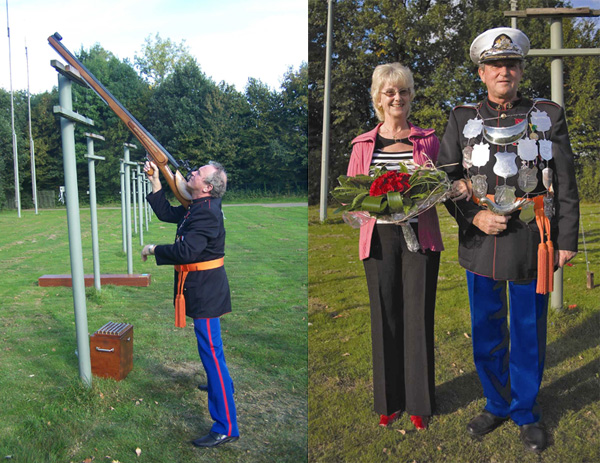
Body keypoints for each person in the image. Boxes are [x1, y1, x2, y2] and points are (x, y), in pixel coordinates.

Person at [437, 27, 579, 453]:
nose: (505, 71)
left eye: (512, 64)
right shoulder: (463, 118)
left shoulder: (547, 113)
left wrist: (567, 238)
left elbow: (568, 181)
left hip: (531, 239)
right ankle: (496, 402)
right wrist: (474, 215)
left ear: (520, 70)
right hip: (481, 241)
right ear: (482, 72)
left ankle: (524, 410)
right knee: (485, 328)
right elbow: (447, 178)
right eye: (496, 65)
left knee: (528, 328)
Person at [346, 63, 467, 430]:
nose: (397, 98)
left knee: (418, 318)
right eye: (389, 92)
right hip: (379, 239)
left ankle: (419, 402)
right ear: (378, 98)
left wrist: (449, 193)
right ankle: (388, 400)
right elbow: (352, 196)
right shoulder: (362, 144)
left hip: (421, 238)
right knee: (385, 317)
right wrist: (374, 206)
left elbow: (441, 185)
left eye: (404, 91)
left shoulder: (427, 140)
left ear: (411, 95)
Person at [141, 160, 239, 448]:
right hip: (202, 288)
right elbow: (165, 213)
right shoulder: (197, 207)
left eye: (198, 173)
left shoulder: (205, 213)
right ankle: (221, 385)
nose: (192, 172)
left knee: (211, 353)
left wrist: (153, 249)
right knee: (213, 350)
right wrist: (155, 179)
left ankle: (226, 426)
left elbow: (186, 251)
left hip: (205, 291)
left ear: (207, 187)